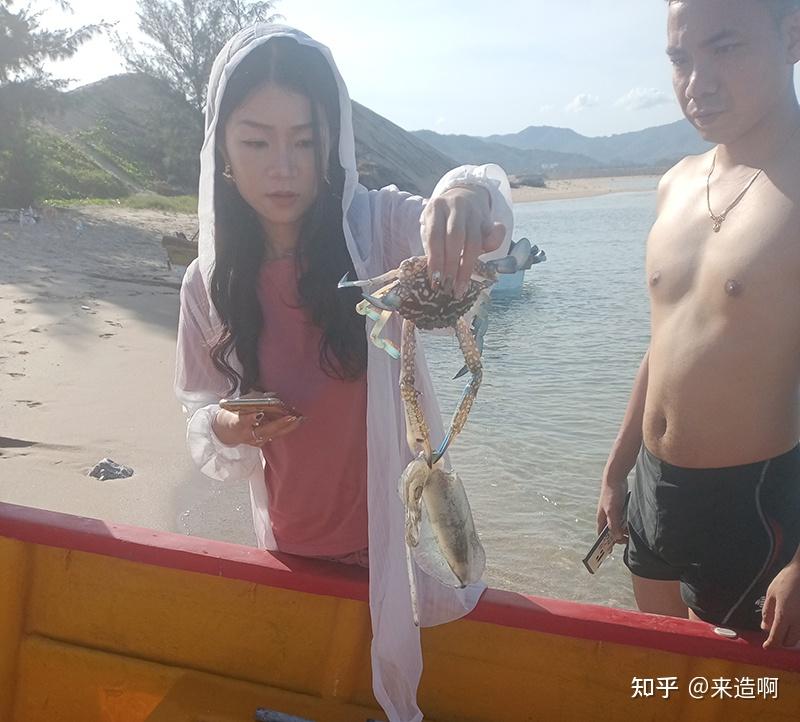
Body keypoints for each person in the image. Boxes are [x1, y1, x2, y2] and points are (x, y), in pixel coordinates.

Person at [174, 24, 513, 722]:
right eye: (256, 142)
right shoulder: (208, 286)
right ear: (221, 150)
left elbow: (478, 232)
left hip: (398, 540)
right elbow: (200, 411)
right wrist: (229, 425)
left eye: (304, 141)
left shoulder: (376, 231)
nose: (283, 167)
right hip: (289, 545)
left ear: (331, 143)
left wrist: (470, 198)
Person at [596, 0, 800, 649]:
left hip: (752, 501)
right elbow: (666, 341)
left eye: (725, 47)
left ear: (792, 37)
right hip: (655, 485)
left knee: (742, 690)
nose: (697, 83)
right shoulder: (676, 183)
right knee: (664, 664)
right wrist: (617, 469)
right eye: (681, 58)